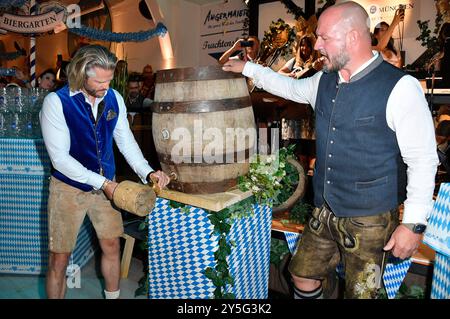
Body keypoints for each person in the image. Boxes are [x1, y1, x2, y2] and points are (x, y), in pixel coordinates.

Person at [222, 1, 438, 299]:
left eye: (325, 38)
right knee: (301, 274)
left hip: (370, 217)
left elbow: (423, 160)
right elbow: (288, 87)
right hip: (326, 209)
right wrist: (247, 67)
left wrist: (413, 224)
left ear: (352, 37)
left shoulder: (400, 87)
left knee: (363, 294)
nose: (318, 45)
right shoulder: (323, 80)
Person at [39, 44, 170, 299]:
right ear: (80, 73)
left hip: (107, 187)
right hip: (68, 188)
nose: (105, 87)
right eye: (99, 81)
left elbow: (125, 141)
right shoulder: (56, 103)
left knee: (111, 245)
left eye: (109, 80)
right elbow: (60, 160)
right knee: (59, 258)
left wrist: (147, 172)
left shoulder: (114, 98)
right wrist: (105, 184)